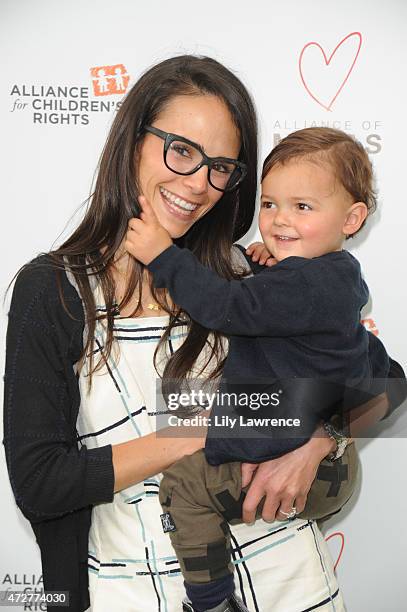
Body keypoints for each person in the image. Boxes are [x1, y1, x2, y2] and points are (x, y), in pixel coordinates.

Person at [2, 56, 405, 612]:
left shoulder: (253, 275)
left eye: (222, 166)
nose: (199, 184)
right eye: (182, 150)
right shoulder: (53, 290)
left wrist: (317, 441)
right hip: (132, 588)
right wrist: (213, 426)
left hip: (292, 584)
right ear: (132, 142)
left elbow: (387, 380)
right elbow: (42, 483)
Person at [125, 127, 394, 612]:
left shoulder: (308, 288)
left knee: (185, 486)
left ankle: (211, 602)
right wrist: (275, 269)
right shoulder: (331, 281)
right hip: (325, 462)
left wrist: (163, 256)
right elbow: (371, 366)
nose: (279, 221)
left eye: (302, 207)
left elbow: (228, 307)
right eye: (269, 205)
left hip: (308, 461)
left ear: (352, 219)